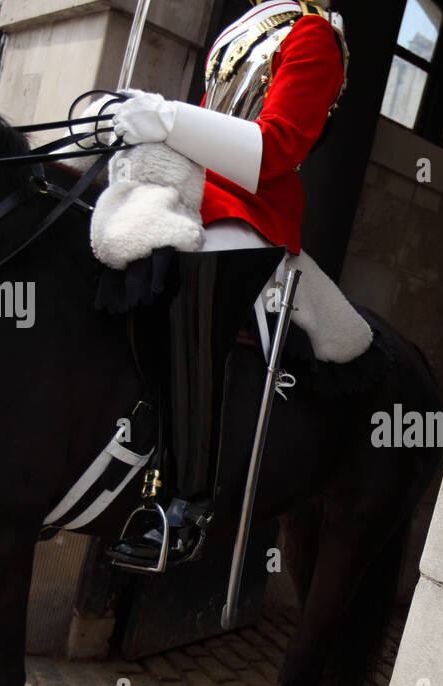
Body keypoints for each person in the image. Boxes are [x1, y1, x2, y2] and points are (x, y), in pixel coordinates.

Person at [104, 0, 348, 569]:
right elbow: (214, 122)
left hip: (253, 211)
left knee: (194, 291)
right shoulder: (250, 27)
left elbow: (273, 150)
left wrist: (166, 119)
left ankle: (185, 503)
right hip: (197, 188)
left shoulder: (314, 36)